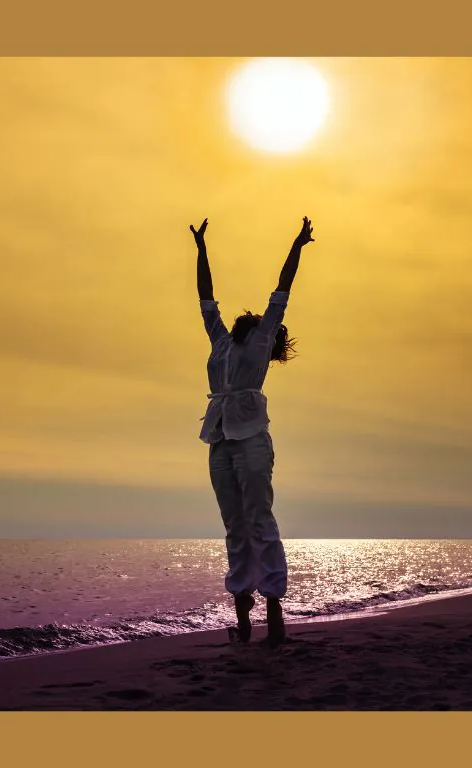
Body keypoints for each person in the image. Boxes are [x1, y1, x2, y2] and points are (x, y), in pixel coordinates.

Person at [190, 215, 314, 648]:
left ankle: (275, 613)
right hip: (220, 438)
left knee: (259, 518)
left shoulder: (260, 341)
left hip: (253, 439)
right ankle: (243, 618)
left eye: (255, 316)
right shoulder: (220, 342)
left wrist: (298, 245)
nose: (247, 316)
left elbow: (283, 289)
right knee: (234, 524)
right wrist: (201, 250)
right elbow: (206, 298)